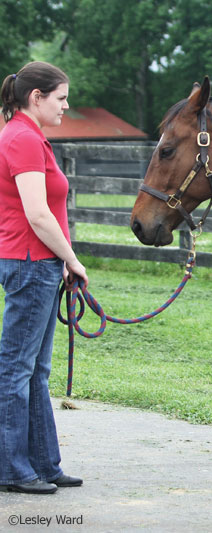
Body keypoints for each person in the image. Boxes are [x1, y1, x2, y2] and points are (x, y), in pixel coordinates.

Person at [0, 61, 88, 494]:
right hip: (31, 262)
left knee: (35, 370)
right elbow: (37, 213)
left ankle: (42, 463)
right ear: (36, 98)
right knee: (16, 369)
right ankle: (12, 469)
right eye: (61, 97)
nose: (66, 106)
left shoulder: (31, 137)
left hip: (36, 263)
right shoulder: (22, 139)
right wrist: (72, 260)